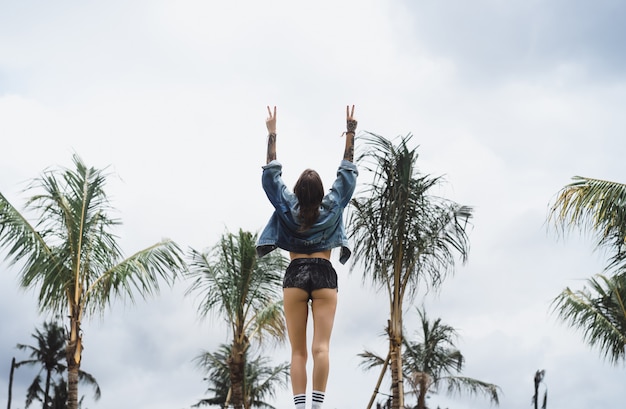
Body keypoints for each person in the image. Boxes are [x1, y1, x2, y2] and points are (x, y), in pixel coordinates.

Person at [256, 105, 358, 409]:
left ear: (299, 191)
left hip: (296, 273)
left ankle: (300, 407)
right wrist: (350, 131)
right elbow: (347, 172)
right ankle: (317, 406)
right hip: (325, 273)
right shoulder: (333, 206)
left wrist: (272, 134)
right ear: (321, 192)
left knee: (298, 351)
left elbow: (271, 176)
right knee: (321, 348)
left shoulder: (288, 207)